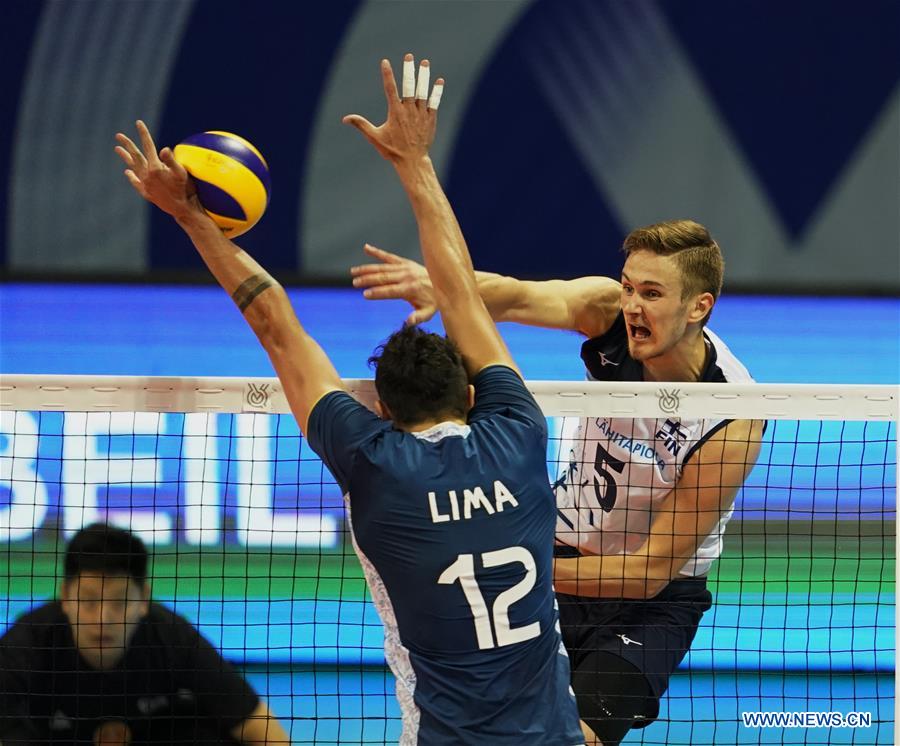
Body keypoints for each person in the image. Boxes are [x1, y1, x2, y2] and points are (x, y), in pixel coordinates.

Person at [110, 53, 584, 745]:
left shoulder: (375, 464)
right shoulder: (519, 431)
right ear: (474, 391)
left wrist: (187, 213)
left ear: (382, 411)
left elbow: (275, 322)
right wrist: (415, 162)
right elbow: (459, 297)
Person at [351, 221, 764, 745]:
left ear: (698, 307)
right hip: (562, 552)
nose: (632, 305)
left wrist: (515, 571)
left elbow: (647, 573)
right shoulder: (609, 314)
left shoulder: (734, 416)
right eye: (629, 286)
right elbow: (515, 294)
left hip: (653, 601)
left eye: (652, 294)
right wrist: (444, 286)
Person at [0, 523, 290, 745]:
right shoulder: (25, 647)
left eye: (120, 602)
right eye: (88, 601)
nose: (103, 619)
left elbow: (260, 727)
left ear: (143, 600)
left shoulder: (173, 638)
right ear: (64, 596)